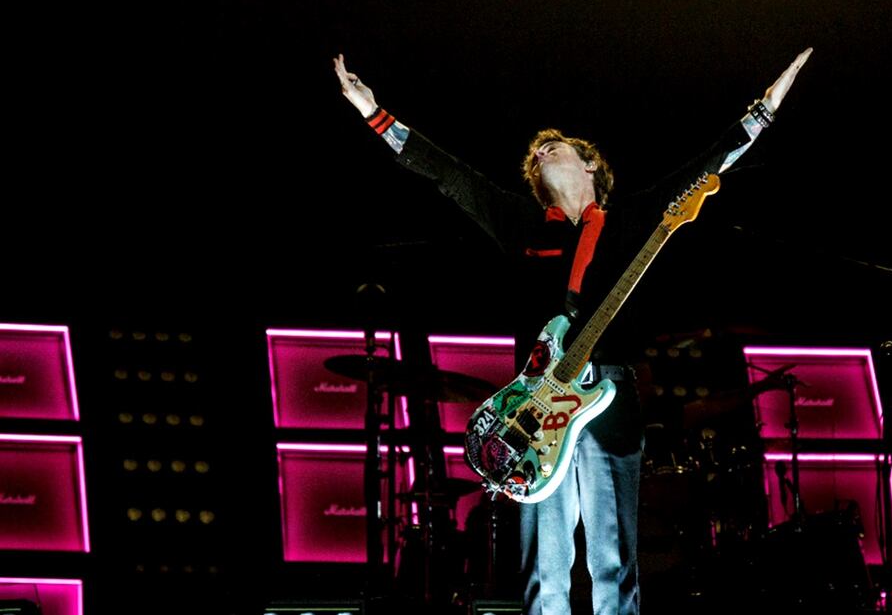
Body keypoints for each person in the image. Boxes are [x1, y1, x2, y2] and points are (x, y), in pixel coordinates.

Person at [334, 48, 811, 614]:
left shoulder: (631, 219)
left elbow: (703, 168)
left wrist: (764, 109)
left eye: (555, 146)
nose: (542, 151)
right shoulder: (521, 222)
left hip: (609, 391)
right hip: (536, 401)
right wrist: (373, 112)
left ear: (590, 166)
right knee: (545, 566)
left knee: (613, 561)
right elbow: (449, 175)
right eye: (536, 153)